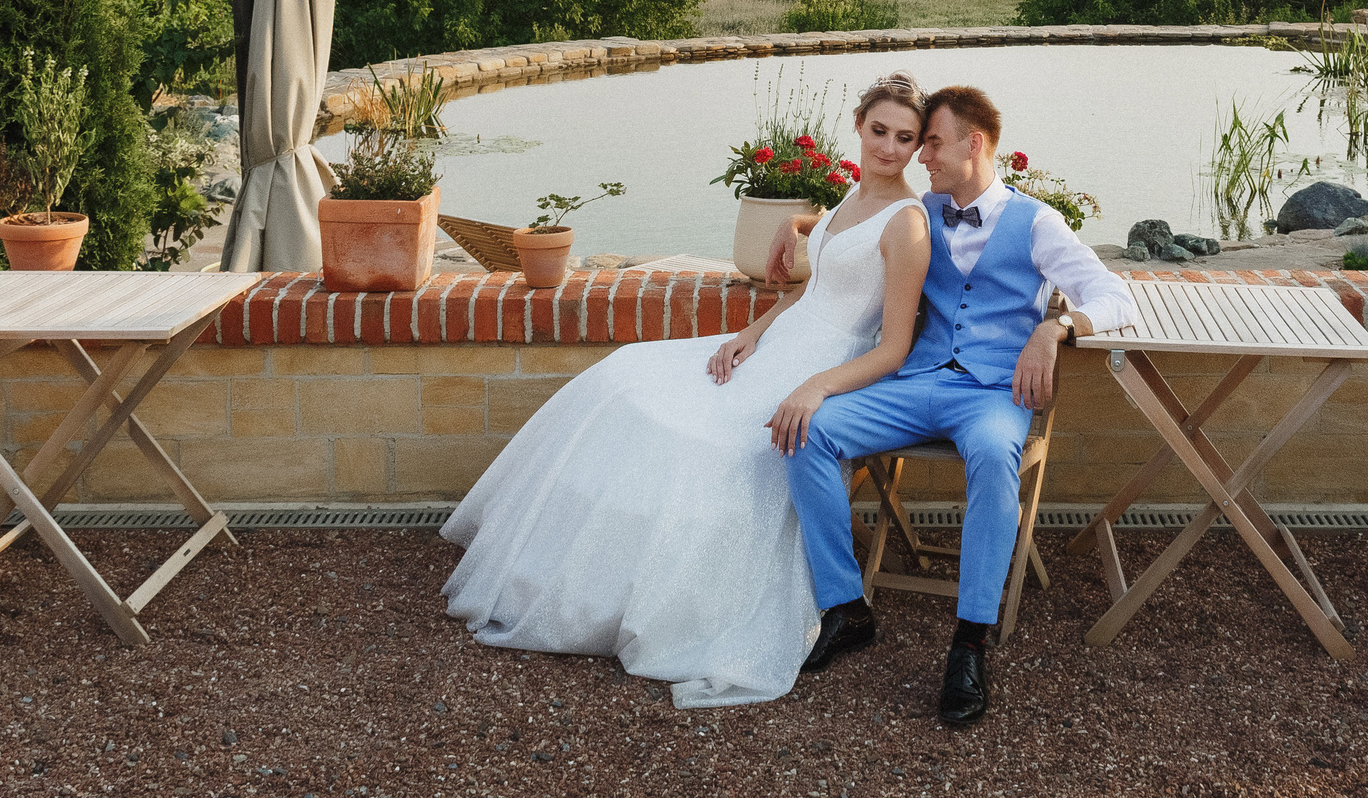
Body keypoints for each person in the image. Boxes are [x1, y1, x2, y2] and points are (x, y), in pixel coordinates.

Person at [437, 74, 934, 708]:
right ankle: (585, 577)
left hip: (826, 368)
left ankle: (659, 597)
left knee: (705, 440)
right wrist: (750, 333)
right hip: (780, 347)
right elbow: (809, 291)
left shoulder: (908, 227)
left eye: (905, 138)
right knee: (626, 377)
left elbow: (892, 348)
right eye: (878, 131)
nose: (888, 148)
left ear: (919, 147)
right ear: (859, 127)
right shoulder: (849, 198)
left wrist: (815, 388)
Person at [777, 83, 1139, 726]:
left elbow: (1115, 295)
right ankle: (844, 606)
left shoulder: (1037, 223)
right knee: (809, 429)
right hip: (917, 384)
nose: (921, 157)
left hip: (993, 394)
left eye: (933, 143)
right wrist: (799, 221)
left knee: (996, 457)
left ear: (974, 145)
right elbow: (854, 222)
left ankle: (969, 643)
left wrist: (1055, 329)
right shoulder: (924, 213)